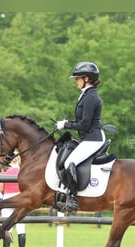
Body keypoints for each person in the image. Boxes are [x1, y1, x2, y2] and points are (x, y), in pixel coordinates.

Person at [54, 61, 106, 213]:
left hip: (93, 138)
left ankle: (74, 200)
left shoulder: (91, 97)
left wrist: (66, 124)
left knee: (70, 161)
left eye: (77, 78)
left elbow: (83, 124)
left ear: (87, 78)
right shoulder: (86, 95)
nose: (75, 81)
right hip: (89, 137)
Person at [0, 155, 26, 247]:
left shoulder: (4, 172)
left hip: (7, 198)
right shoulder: (23, 171)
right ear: (18, 160)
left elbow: (0, 188)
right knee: (21, 227)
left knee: (7, 227)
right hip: (19, 198)